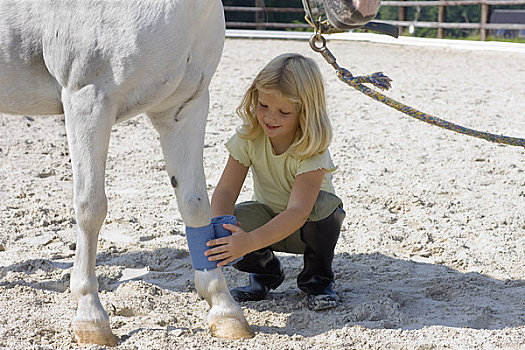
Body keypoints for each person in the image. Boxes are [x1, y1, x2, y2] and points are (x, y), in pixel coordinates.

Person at [204, 53, 345, 311]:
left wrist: (248, 242)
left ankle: (318, 281)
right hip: (269, 221)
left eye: (283, 111)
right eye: (263, 105)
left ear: (305, 111)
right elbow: (225, 191)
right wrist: (223, 233)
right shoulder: (249, 136)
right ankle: (265, 274)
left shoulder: (312, 148)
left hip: (308, 227)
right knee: (229, 223)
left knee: (325, 206)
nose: (270, 117)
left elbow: (298, 212)